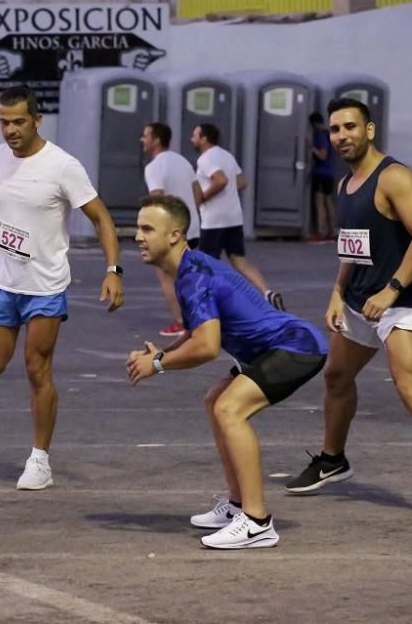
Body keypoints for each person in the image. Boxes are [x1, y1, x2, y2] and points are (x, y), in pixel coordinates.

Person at [285, 98, 412, 520]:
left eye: (350, 126)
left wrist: (392, 289)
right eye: (335, 129)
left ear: (369, 130)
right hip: (358, 302)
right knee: (336, 376)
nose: (342, 135)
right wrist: (336, 291)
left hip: (398, 303)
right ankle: (333, 459)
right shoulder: (346, 184)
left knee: (409, 386)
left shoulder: (394, 177)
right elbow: (352, 245)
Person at [127, 195, 327, 549]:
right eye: (138, 228)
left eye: (147, 229)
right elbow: (200, 332)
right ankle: (237, 506)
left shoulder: (193, 276)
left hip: (296, 346)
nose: (137, 236)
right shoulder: (188, 269)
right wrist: (165, 353)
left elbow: (206, 347)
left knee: (229, 408)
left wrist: (157, 364)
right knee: (215, 400)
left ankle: (257, 521)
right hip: (271, 349)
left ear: (174, 235)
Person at [0, 85, 124, 490]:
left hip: (44, 285)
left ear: (37, 120)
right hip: (0, 279)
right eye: (4, 121)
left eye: (19, 122)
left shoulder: (63, 166)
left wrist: (113, 269)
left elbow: (102, 219)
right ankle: (39, 456)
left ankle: (39, 460)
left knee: (36, 369)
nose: (10, 130)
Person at [190, 124, 285, 311]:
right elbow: (241, 181)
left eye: (194, 135)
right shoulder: (226, 155)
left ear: (204, 138)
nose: (191, 139)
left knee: (208, 264)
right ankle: (267, 293)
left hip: (214, 220)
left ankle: (212, 305)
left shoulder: (205, 159)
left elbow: (221, 179)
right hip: (233, 217)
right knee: (239, 260)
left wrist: (203, 197)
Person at [140, 122, 201, 337]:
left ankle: (181, 322)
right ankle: (199, 318)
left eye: (145, 136)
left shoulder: (154, 167)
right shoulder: (183, 161)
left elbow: (157, 198)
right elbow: (198, 194)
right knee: (187, 275)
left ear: (156, 140)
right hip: (191, 228)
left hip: (169, 231)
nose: (142, 139)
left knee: (167, 277)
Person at [308, 112, 337, 241]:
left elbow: (323, 155)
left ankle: (321, 231)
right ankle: (333, 231)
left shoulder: (321, 136)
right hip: (329, 174)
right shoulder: (329, 134)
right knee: (328, 203)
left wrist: (311, 147)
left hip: (321, 174)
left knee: (320, 204)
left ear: (314, 124)